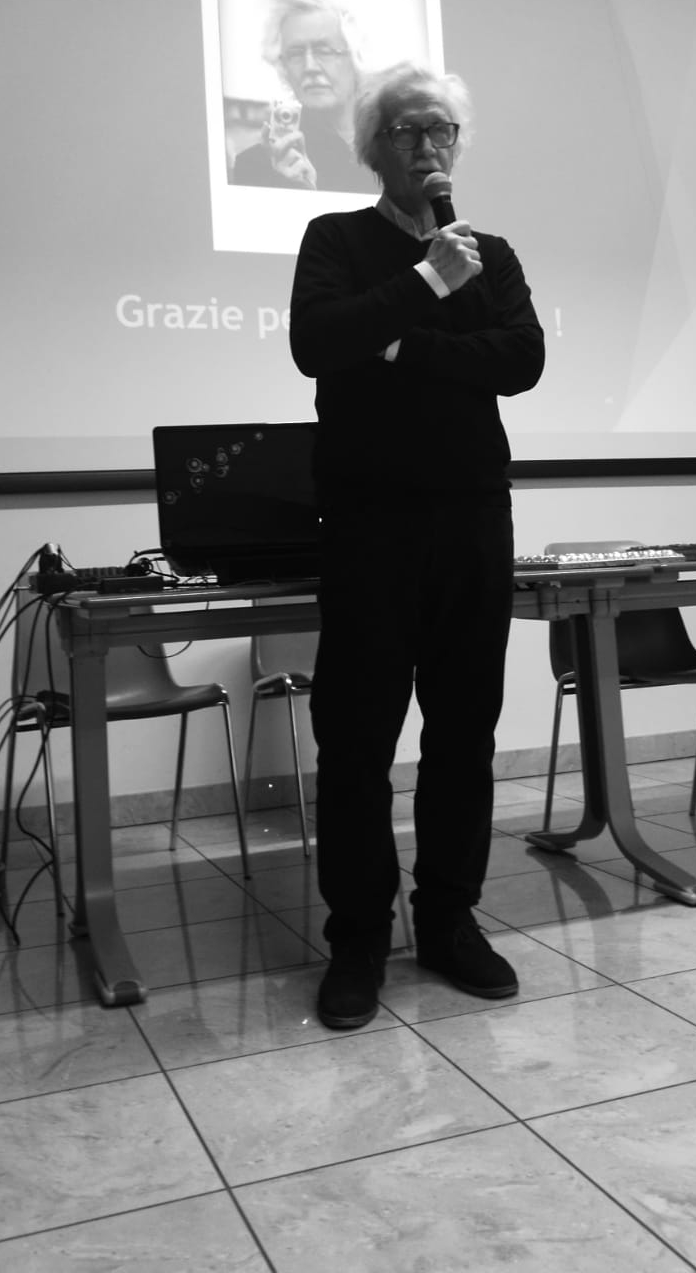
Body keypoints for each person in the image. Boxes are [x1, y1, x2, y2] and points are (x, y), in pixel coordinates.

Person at [289, 63, 545, 1028]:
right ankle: (358, 938)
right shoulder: (336, 240)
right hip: (369, 522)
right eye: (406, 130)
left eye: (441, 130)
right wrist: (430, 283)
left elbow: (521, 360)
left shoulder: (493, 253)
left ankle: (447, 920)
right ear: (374, 148)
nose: (428, 146)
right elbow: (319, 344)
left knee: (464, 732)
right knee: (357, 740)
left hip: (472, 518)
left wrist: (400, 345)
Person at [232, 0, 374, 192]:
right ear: (282, 66)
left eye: (324, 51)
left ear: (356, 56)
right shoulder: (258, 165)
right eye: (296, 54)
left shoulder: (401, 150)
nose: (310, 67)